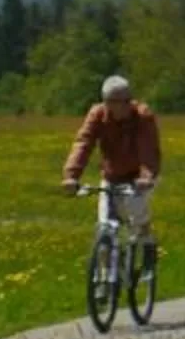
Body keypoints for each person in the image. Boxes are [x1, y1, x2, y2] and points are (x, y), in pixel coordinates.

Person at [63, 74, 160, 261]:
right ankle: (106, 272)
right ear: (105, 102)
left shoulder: (142, 116)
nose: (121, 106)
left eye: (125, 101)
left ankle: (147, 245)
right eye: (114, 102)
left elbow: (148, 149)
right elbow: (83, 143)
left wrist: (146, 176)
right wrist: (71, 176)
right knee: (105, 225)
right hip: (111, 176)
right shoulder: (97, 115)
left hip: (138, 177)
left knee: (136, 214)